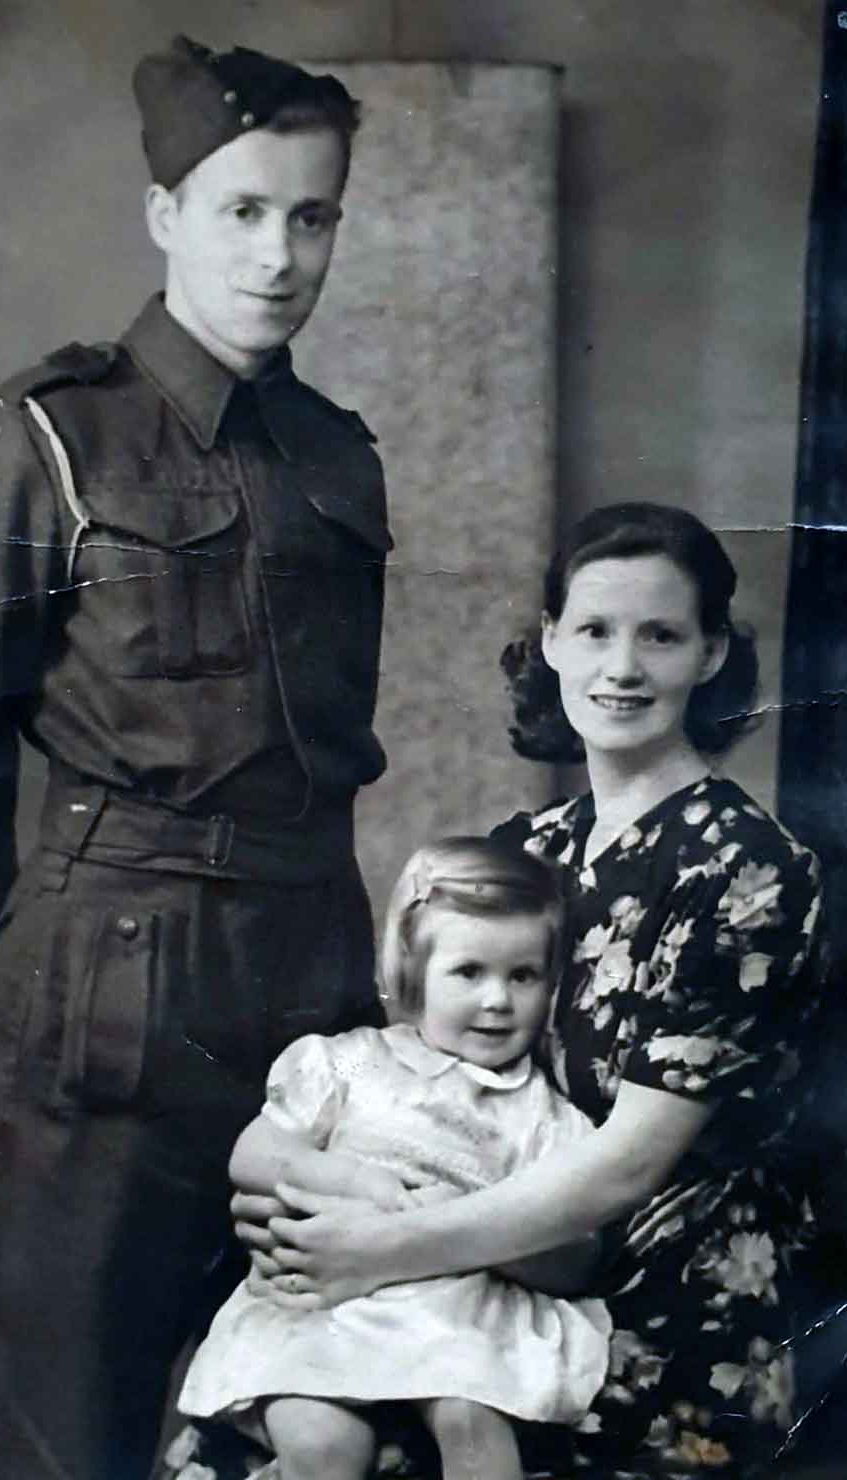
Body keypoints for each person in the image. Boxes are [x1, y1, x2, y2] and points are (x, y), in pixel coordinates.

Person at [0, 35, 390, 1480]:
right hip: (104, 996)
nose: (279, 254)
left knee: (296, 1427)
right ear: (165, 215)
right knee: (65, 1433)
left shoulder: (337, 456)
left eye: (311, 215)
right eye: (243, 210)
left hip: (312, 984)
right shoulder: (45, 440)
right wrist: (18, 981)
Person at [232, 503, 830, 1480]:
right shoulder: (525, 851)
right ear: (550, 640)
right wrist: (309, 1198)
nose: (622, 667)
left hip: (663, 1317)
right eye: (594, 629)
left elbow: (625, 1169)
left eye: (662, 635)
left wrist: (377, 1247)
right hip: (480, 1274)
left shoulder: (750, 872)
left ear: (712, 653)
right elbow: (415, 1080)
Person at [175, 837, 611, 1480]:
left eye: (523, 976)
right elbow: (255, 1152)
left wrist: (476, 1224)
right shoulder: (352, 1062)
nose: (497, 1000)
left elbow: (577, 1253)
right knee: (324, 1444)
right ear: (414, 970)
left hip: (461, 1316)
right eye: (469, 973)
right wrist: (351, 1179)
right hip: (328, 1308)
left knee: (475, 1427)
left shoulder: (542, 1113)